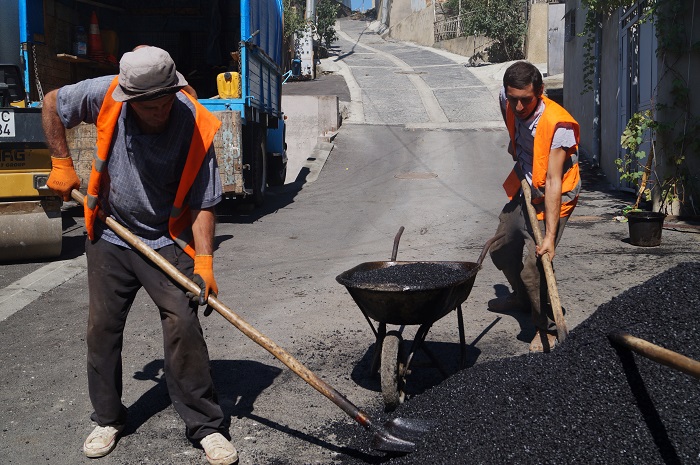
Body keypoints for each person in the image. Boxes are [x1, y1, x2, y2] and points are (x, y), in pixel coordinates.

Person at [41, 46, 238, 465]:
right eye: (149, 106)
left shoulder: (192, 122)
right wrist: (60, 161)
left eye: (166, 101)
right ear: (130, 99)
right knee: (102, 329)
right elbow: (52, 102)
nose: (159, 111)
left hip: (165, 238)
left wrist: (204, 263)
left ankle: (206, 426)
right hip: (111, 234)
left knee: (184, 323)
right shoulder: (104, 94)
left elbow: (204, 202)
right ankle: (108, 418)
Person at [488, 61, 581, 353]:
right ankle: (522, 298)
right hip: (526, 184)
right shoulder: (508, 99)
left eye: (525, 100)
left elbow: (553, 180)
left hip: (555, 193)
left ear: (540, 92)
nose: (517, 107)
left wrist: (550, 237)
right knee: (502, 247)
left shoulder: (558, 125)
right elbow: (512, 119)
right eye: (512, 98)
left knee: (536, 264)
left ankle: (548, 328)